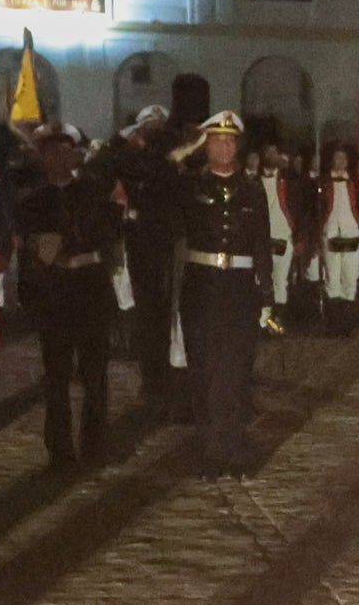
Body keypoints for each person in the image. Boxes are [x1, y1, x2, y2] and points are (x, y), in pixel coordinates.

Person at [14, 123, 121, 465]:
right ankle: (59, 449)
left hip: (90, 287)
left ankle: (95, 444)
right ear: (42, 157)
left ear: (74, 154)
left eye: (65, 151)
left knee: (94, 375)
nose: (59, 158)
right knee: (56, 377)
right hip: (55, 293)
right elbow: (30, 254)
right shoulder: (32, 201)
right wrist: (31, 297)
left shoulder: (94, 192)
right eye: (51, 152)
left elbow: (110, 236)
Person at [174, 110, 272, 473]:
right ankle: (210, 450)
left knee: (236, 370)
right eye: (217, 140)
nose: (225, 147)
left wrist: (267, 294)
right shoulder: (190, 186)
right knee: (204, 369)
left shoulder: (252, 189)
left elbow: (261, 242)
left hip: (240, 289)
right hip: (202, 287)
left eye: (231, 141)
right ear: (206, 145)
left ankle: (232, 445)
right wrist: (184, 149)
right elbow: (161, 179)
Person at [108, 107, 180, 421]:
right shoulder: (131, 161)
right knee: (149, 320)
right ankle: (155, 385)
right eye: (147, 129)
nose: (152, 134)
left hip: (171, 247)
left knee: (172, 320)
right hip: (143, 248)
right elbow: (113, 160)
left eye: (157, 129)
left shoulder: (173, 161)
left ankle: (171, 382)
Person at [316, 142, 359, 336]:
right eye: (336, 158)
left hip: (351, 232)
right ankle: (333, 324)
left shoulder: (354, 183)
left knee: (350, 278)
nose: (340, 162)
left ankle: (348, 325)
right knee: (332, 279)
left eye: (343, 158)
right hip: (330, 232)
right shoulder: (324, 183)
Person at [256, 141, 307, 332]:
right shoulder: (253, 182)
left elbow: (298, 209)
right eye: (267, 152)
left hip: (283, 236)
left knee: (280, 281)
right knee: (262, 281)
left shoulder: (289, 182)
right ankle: (262, 321)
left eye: (274, 151)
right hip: (261, 239)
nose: (271, 155)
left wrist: (299, 237)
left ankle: (276, 322)